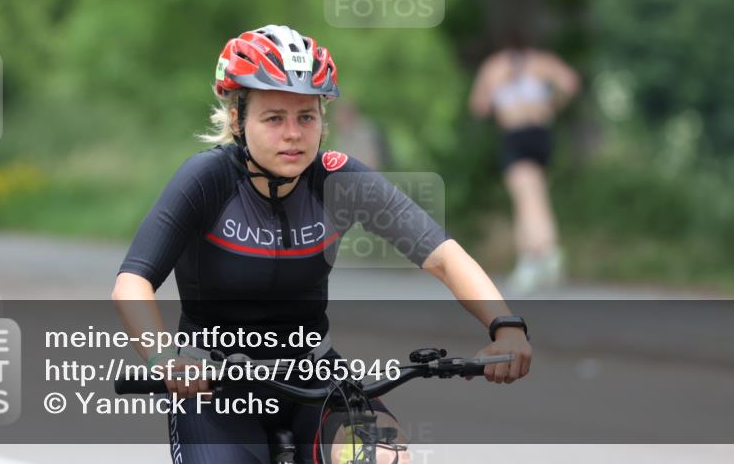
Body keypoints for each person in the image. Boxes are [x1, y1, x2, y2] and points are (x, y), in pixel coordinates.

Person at [112, 25, 532, 464]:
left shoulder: (339, 178)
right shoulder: (206, 179)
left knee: (386, 457)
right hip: (216, 385)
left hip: (316, 375)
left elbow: (444, 257)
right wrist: (165, 357)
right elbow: (132, 282)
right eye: (274, 118)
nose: (293, 134)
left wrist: (506, 326)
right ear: (237, 119)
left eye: (306, 117)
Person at [468, 34, 580, 294]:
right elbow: (570, 83)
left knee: (528, 199)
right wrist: (551, 105)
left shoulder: (495, 66)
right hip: (540, 133)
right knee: (533, 195)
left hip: (516, 135)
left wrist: (499, 93)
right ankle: (532, 257)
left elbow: (479, 106)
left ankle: (543, 252)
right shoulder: (541, 63)